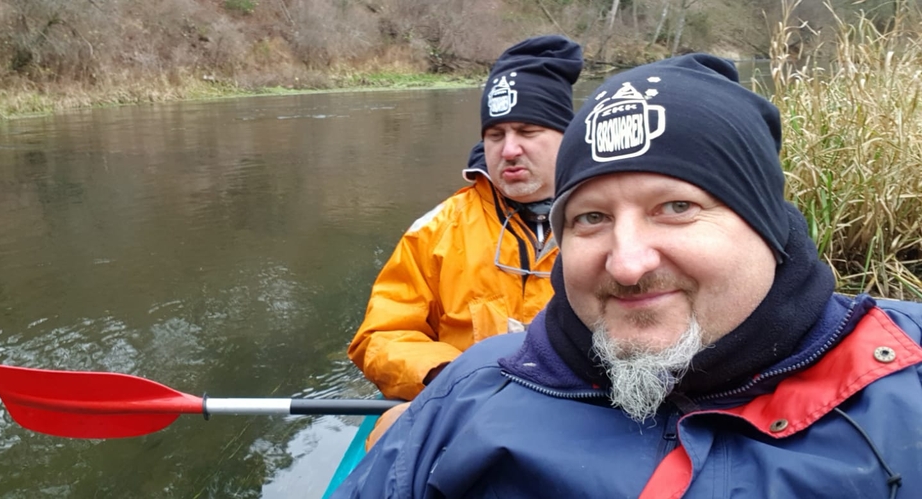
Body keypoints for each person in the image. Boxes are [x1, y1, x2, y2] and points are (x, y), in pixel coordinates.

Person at [333, 53, 922, 498]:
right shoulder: (443, 265)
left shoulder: (903, 381)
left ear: (766, 222)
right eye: (591, 219)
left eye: (677, 207)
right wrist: (443, 377)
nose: (626, 262)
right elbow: (381, 335)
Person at [348, 35, 584, 402]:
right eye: (495, 135)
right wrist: (449, 375)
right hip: (465, 409)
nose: (509, 149)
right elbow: (379, 337)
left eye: (527, 131)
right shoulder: (435, 230)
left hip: (579, 411)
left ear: (567, 137)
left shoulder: (611, 224)